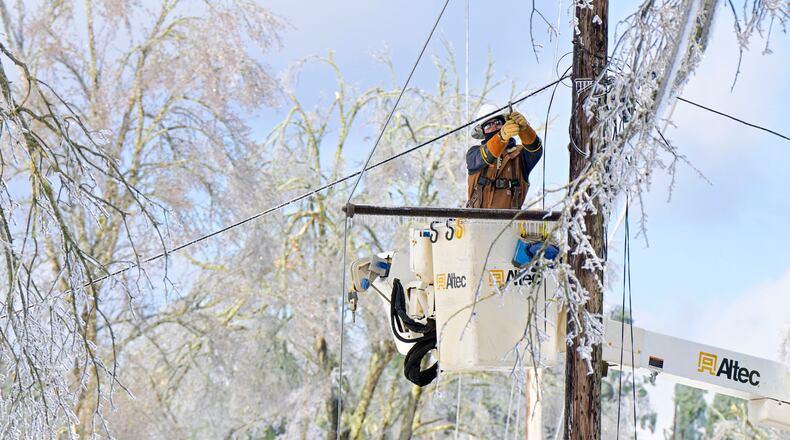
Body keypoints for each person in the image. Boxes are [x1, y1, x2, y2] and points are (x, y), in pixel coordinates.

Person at [466, 103, 542, 209]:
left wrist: (525, 130)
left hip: (510, 222)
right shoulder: (474, 153)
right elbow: (485, 155)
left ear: (504, 124)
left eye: (497, 122)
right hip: (478, 221)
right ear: (483, 131)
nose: (494, 127)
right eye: (488, 125)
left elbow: (536, 150)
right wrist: (501, 137)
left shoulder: (520, 154)